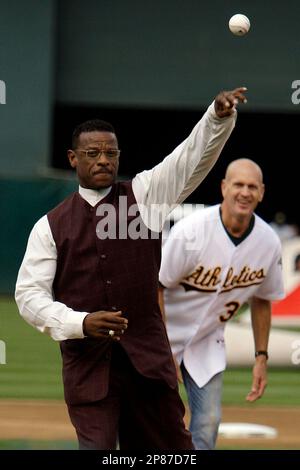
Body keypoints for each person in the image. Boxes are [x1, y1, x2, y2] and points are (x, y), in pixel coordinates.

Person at [15, 87, 247, 450]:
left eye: (110, 152)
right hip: (89, 372)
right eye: (92, 153)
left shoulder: (145, 196)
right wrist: (80, 322)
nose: (103, 160)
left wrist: (216, 118)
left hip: (149, 368)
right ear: (73, 159)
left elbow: (189, 159)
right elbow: (28, 296)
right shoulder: (50, 226)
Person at [159, 158, 285, 450]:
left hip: (206, 341)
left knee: (208, 422)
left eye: (252, 186)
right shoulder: (191, 232)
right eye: (238, 184)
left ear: (262, 192)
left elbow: (262, 299)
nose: (245, 192)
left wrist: (261, 356)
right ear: (224, 187)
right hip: (160, 336)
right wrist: (161, 347)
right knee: (147, 419)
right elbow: (157, 286)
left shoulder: (268, 242)